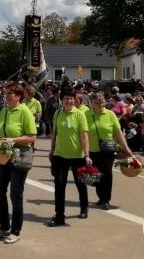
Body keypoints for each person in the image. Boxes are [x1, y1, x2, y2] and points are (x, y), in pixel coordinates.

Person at [0, 83, 36, 245]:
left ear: (18, 96)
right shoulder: (4, 111)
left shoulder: (25, 112)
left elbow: (32, 137)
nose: (7, 95)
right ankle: (4, 227)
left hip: (19, 157)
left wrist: (13, 140)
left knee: (15, 195)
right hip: (3, 157)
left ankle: (16, 231)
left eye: (11, 93)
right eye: (7, 92)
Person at [48, 90, 91, 226]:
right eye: (66, 98)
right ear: (62, 100)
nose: (69, 101)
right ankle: (60, 215)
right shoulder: (57, 114)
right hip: (60, 155)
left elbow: (84, 136)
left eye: (71, 98)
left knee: (81, 184)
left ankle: (84, 207)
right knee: (59, 185)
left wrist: (87, 154)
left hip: (77, 156)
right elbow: (55, 133)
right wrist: (51, 150)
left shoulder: (80, 115)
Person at [86, 92, 134, 210]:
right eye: (96, 102)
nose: (99, 104)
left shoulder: (110, 114)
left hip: (108, 149)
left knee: (107, 174)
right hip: (92, 150)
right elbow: (82, 133)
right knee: (95, 175)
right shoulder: (86, 114)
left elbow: (118, 132)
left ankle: (106, 200)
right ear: (92, 103)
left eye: (101, 102)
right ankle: (101, 197)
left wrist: (125, 147)